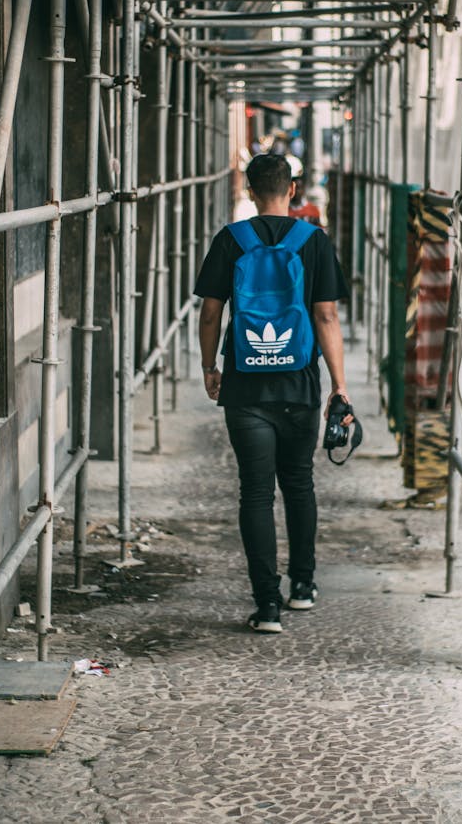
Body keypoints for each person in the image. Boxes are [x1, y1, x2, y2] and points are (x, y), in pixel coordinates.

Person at [194, 153, 351, 634]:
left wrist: (209, 367)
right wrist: (339, 387)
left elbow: (210, 313)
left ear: (248, 188)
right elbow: (325, 317)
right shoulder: (314, 241)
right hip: (299, 384)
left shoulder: (231, 240)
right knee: (299, 484)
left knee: (256, 493)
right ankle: (302, 587)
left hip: (245, 386)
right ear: (293, 189)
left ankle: (267, 607)